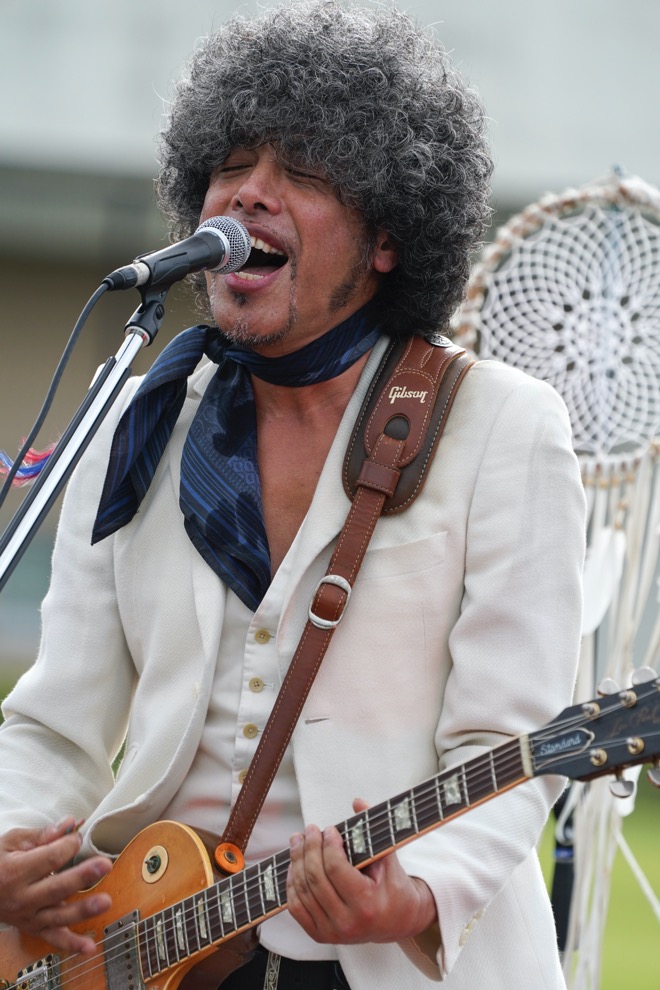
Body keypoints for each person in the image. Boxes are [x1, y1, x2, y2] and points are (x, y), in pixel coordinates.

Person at [0, 3, 586, 988]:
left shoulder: (504, 427)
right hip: (154, 954)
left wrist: (417, 892)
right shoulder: (137, 423)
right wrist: (13, 848)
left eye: (304, 175)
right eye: (231, 166)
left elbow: (510, 742)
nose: (249, 194)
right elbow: (56, 724)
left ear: (387, 238)